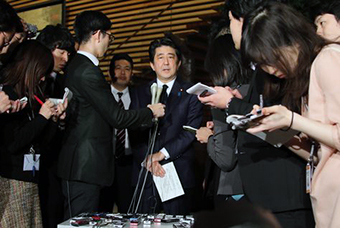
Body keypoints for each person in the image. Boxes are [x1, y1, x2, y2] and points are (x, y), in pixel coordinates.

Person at [198, 1, 314, 227]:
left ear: (241, 19)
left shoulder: (293, 65)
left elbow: (281, 121)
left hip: (286, 196)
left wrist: (231, 103)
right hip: (265, 196)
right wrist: (241, 103)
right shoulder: (264, 66)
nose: (271, 70)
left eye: (230, 21)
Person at [238, 2, 340, 227]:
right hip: (326, 201)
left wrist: (293, 120)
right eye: (261, 64)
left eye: (270, 58)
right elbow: (318, 156)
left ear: (291, 39)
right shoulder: (304, 79)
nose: (270, 70)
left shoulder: (327, 60)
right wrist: (276, 133)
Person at [56, 10, 165, 219]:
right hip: (84, 167)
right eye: (109, 36)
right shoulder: (87, 70)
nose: (109, 42)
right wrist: (150, 112)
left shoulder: (77, 66)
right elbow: (117, 117)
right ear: (98, 35)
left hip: (82, 166)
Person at [129, 36, 203, 215]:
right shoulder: (139, 93)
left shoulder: (191, 93)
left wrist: (160, 155)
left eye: (171, 57)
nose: (166, 62)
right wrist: (149, 159)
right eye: (160, 57)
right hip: (146, 172)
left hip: (177, 173)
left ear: (178, 63)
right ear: (152, 64)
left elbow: (189, 132)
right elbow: (132, 129)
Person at [0, 40, 67, 227]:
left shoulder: (32, 97)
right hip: (12, 181)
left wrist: (54, 120)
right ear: (31, 66)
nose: (44, 78)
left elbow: (41, 144)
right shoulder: (6, 97)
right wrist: (42, 118)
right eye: (42, 72)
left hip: (32, 179)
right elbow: (13, 143)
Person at [196, 26, 250, 209]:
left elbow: (225, 159)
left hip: (233, 191)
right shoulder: (254, 88)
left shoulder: (221, 98)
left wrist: (208, 137)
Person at [36, 23, 75, 228]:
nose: (66, 59)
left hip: (54, 161)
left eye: (68, 53)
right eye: (61, 52)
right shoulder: (30, 80)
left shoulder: (62, 82)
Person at [99, 53, 135, 213]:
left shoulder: (139, 95)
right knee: (101, 210)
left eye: (127, 69)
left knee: (128, 210)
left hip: (129, 162)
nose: (122, 72)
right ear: (110, 72)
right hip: (104, 161)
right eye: (118, 68)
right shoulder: (101, 95)